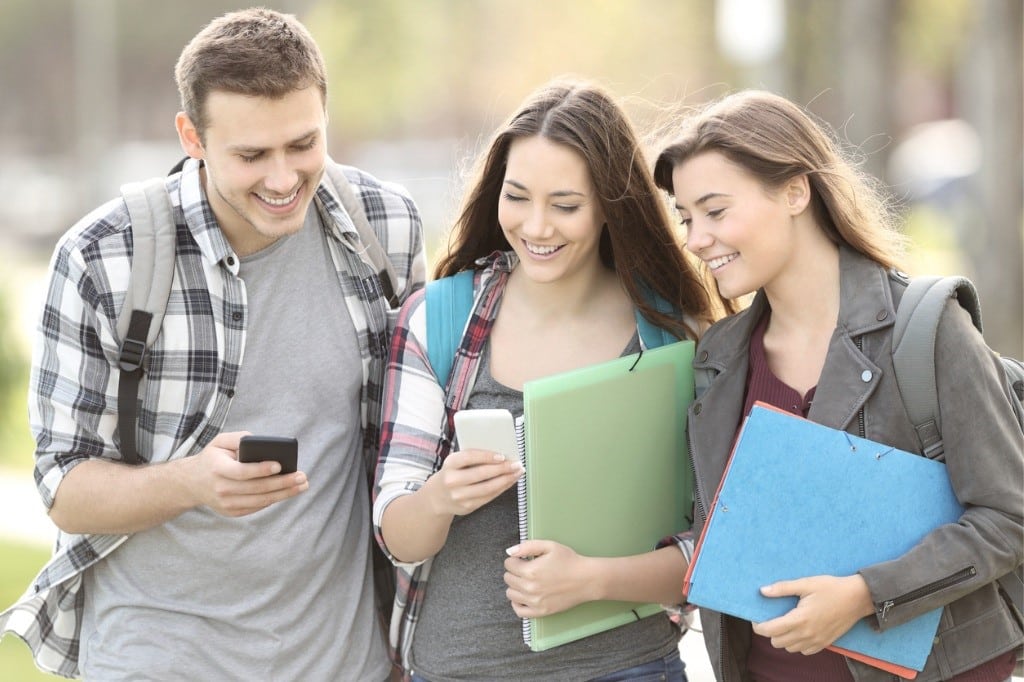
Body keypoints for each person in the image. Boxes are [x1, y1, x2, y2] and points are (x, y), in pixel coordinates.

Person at [0, 8, 425, 680]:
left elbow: (411, 443)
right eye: (252, 155)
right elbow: (62, 486)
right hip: (157, 657)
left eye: (303, 144)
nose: (284, 179)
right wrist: (194, 482)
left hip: (342, 663)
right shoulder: (101, 259)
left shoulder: (386, 227)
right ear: (191, 137)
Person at [654, 89, 1023, 682]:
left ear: (796, 191)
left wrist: (865, 594)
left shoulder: (927, 329)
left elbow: (1009, 518)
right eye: (687, 218)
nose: (696, 238)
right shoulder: (717, 359)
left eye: (715, 212)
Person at [373, 77, 725, 681]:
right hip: (458, 670)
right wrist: (439, 498)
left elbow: (713, 547)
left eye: (565, 206)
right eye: (517, 197)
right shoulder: (437, 320)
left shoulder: (673, 337)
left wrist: (592, 580)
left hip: (629, 669)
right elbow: (398, 537)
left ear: (612, 208)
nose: (537, 228)